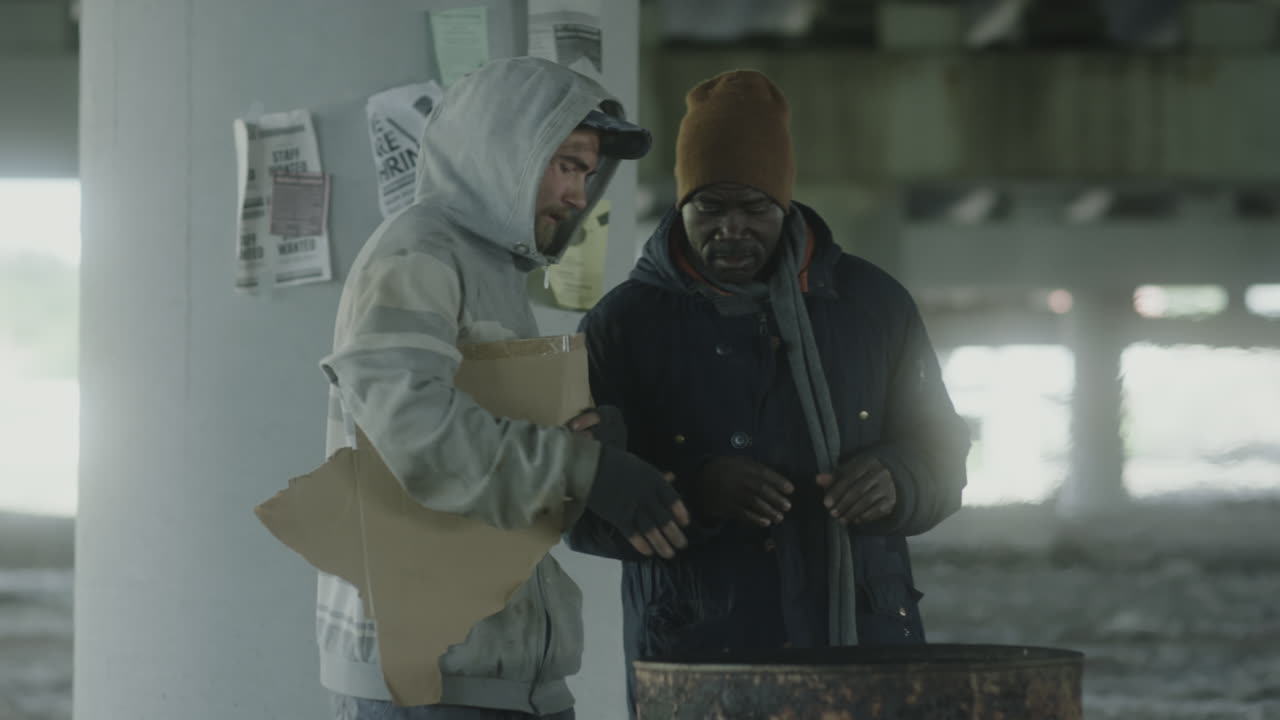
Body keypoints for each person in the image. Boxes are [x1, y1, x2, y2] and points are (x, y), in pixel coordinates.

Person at [567, 69, 972, 715]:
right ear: (680, 206)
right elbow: (579, 506)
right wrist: (695, 491)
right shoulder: (625, 324)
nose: (731, 228)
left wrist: (901, 478)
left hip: (862, 641)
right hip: (699, 654)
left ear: (785, 205)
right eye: (710, 207)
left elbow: (943, 451)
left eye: (754, 208)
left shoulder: (872, 304)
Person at [317, 56, 689, 720]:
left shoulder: (484, 268)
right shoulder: (418, 254)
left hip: (497, 683)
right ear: (505, 152)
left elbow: (477, 443)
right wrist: (584, 470)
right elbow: (415, 432)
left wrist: (577, 439)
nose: (582, 195)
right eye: (569, 165)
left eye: (589, 172)